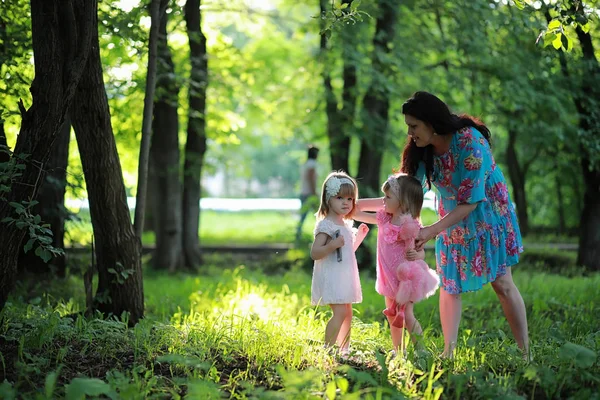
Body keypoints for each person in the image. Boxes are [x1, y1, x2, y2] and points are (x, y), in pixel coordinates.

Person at [400, 91, 529, 359]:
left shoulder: (471, 143)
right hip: (451, 220)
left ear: (431, 123)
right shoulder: (423, 150)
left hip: (487, 215)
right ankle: (449, 353)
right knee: (449, 285)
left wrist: (431, 231)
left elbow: (470, 202)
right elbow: (406, 190)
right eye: (408, 127)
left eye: (414, 126)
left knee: (502, 283)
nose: (410, 133)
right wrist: (358, 205)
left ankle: (525, 352)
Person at [354, 174, 439, 355]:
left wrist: (417, 253)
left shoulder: (412, 224)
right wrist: (345, 204)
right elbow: (357, 212)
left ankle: (421, 351)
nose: (383, 201)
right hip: (388, 277)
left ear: (402, 201)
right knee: (392, 314)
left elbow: (421, 252)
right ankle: (398, 350)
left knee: (407, 315)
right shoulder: (385, 218)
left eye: (388, 197)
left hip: (405, 280)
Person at [310, 171, 369, 356]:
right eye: (340, 197)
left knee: (348, 313)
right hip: (332, 275)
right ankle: (327, 349)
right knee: (340, 313)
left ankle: (345, 349)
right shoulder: (326, 225)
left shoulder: (344, 224)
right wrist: (332, 244)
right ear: (328, 199)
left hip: (344, 274)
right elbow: (315, 253)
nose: (346, 202)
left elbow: (346, 252)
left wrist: (358, 237)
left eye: (350, 198)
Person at [296, 145, 320, 241]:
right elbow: (311, 179)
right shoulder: (311, 164)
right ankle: (323, 234)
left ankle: (298, 235)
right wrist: (314, 193)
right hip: (309, 194)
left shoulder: (306, 164)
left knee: (304, 216)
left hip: (304, 192)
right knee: (319, 215)